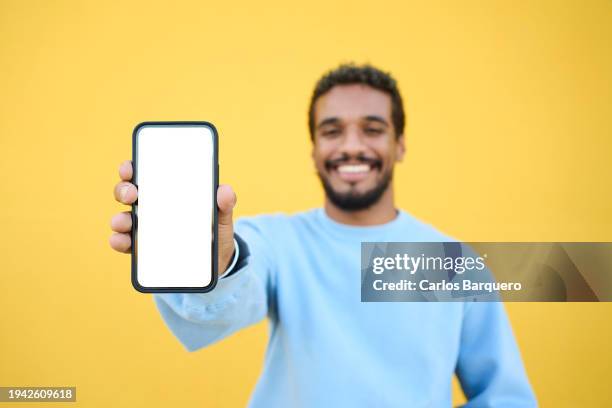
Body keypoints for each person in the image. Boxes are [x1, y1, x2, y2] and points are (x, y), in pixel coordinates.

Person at [110, 64, 537, 407]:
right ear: (313, 148)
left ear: (400, 144)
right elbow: (229, 295)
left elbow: (505, 395)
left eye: (372, 128)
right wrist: (214, 261)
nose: (351, 146)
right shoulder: (279, 241)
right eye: (332, 131)